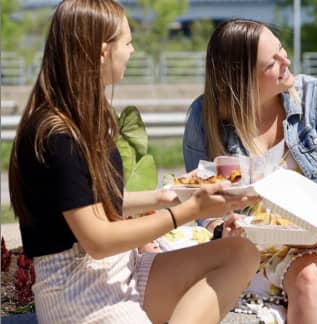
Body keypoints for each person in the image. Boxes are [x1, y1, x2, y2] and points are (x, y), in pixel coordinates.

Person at [8, 1, 260, 323]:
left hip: (120, 271)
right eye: (127, 42)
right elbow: (97, 240)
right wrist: (189, 211)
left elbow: (89, 203)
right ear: (102, 51)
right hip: (76, 292)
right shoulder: (55, 134)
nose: (133, 50)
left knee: (241, 252)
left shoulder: (82, 119)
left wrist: (165, 196)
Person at [183, 19, 317, 324]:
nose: (286, 61)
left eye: (281, 48)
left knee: (308, 279)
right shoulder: (203, 116)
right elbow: (200, 204)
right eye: (271, 62)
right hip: (243, 248)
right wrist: (221, 229)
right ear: (241, 78)